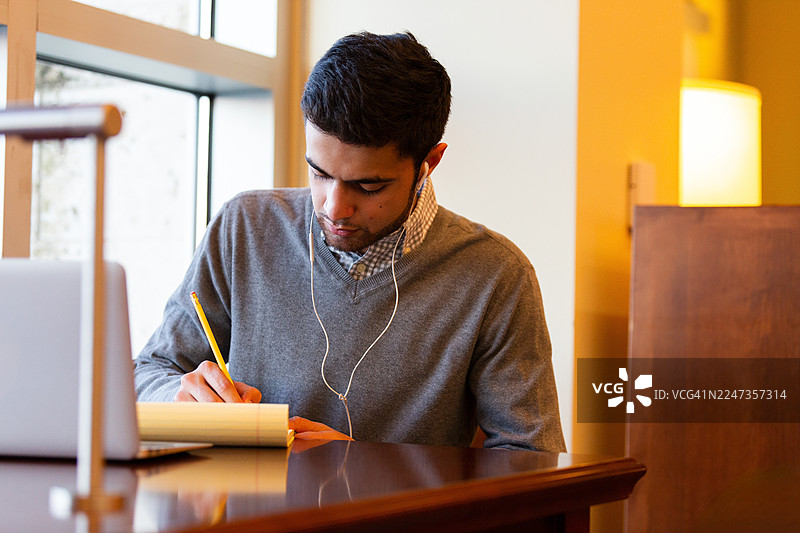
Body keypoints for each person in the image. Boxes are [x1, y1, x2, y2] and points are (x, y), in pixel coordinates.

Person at [134, 31, 565, 452]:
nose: (334, 207)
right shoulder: (243, 228)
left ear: (428, 163)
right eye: (319, 173)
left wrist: (364, 469)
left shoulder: (496, 277)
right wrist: (178, 396)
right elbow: (147, 373)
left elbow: (531, 459)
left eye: (368, 186)